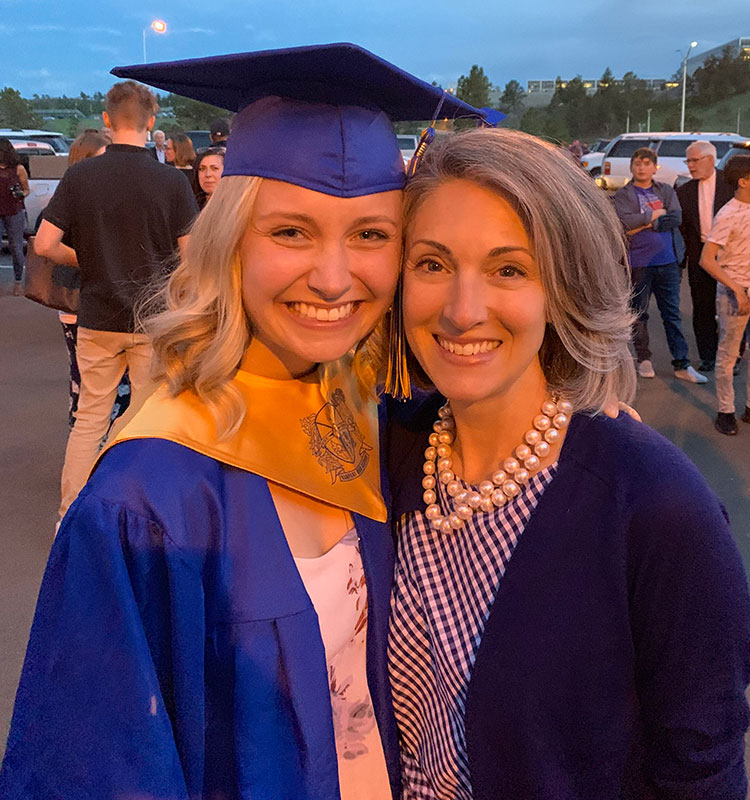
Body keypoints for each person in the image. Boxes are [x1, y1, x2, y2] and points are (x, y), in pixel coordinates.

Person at [0, 43, 495, 800]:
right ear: (229, 244)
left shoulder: (386, 424)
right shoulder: (145, 501)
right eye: (289, 231)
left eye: (370, 233)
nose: (334, 278)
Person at [385, 128, 750, 800]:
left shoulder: (655, 507)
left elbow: (700, 770)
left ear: (562, 287)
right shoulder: (386, 457)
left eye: (509, 269)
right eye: (432, 264)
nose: (462, 312)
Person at [33, 80, 199, 520]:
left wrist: (88, 259)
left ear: (106, 120)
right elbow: (191, 259)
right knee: (145, 418)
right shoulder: (172, 182)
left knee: (90, 416)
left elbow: (45, 245)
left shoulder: (81, 176)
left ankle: (72, 515)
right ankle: (127, 509)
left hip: (97, 316)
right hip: (153, 321)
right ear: (152, 121)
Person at [54, 130, 132, 429]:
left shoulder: (75, 193)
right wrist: (92, 258)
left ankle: (91, 452)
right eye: (102, 158)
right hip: (80, 300)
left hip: (95, 302)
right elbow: (46, 244)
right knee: (89, 388)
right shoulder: (75, 196)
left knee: (94, 388)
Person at [613, 147, 707, 383]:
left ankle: (681, 363)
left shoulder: (665, 190)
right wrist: (654, 215)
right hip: (638, 263)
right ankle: (644, 358)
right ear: (632, 167)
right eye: (637, 163)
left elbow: (676, 217)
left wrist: (645, 223)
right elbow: (623, 222)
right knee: (638, 313)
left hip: (668, 262)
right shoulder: (624, 194)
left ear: (655, 167)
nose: (641, 167)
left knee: (672, 314)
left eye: (646, 163)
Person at [700, 153, 750, 435]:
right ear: (743, 182)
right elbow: (707, 259)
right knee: (728, 355)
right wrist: (736, 288)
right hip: (735, 295)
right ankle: (725, 410)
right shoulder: (727, 214)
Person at [676, 140, 735, 372]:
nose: (690, 165)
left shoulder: (729, 186)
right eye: (688, 160)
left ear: (710, 159)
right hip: (700, 255)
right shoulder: (685, 191)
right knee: (702, 307)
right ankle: (708, 355)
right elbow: (682, 230)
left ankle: (733, 356)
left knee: (730, 306)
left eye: (694, 160)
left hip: (729, 254)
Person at [0, 137, 30, 295]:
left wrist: (20, 193)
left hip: (14, 210)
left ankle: (18, 281)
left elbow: (27, 189)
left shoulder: (18, 169)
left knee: (16, 248)